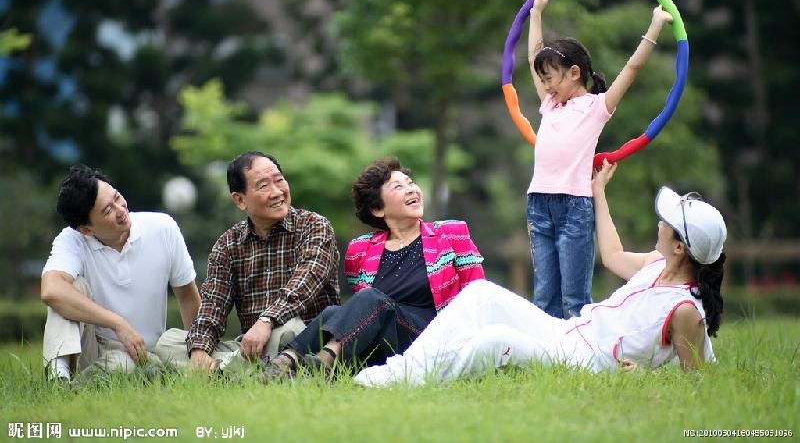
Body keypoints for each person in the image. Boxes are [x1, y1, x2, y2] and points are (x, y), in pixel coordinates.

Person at [354, 161, 727, 386]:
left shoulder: (684, 309)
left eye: (668, 224)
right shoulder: (656, 264)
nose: (659, 224)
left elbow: (699, 380)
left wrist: (646, 378)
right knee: (480, 295)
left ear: (681, 247)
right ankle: (399, 372)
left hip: (589, 361)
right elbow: (611, 255)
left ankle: (395, 381)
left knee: (495, 340)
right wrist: (598, 191)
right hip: (570, 333)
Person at [262, 157, 485, 380]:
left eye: (410, 183)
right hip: (383, 342)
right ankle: (284, 363)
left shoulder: (451, 233)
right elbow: (361, 313)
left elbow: (477, 295)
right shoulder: (360, 249)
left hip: (431, 339)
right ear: (378, 209)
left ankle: (324, 360)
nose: (411, 190)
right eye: (399, 187)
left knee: (373, 299)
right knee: (333, 313)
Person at [525, 0, 675, 318]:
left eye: (550, 78)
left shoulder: (596, 107)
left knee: (574, 296)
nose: (545, 85)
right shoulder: (550, 105)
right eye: (543, 79)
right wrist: (536, 13)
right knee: (544, 295)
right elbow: (532, 56)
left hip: (573, 207)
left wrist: (655, 26)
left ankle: (581, 354)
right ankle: (545, 354)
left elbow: (632, 69)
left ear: (575, 73)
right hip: (539, 204)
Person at [153, 151, 341, 373]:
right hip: (251, 347)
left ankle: (224, 372)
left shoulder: (314, 226)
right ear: (240, 200)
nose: (277, 192)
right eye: (263, 186)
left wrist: (267, 320)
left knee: (289, 330)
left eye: (279, 180)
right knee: (169, 341)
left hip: (302, 341)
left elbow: (306, 282)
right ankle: (234, 371)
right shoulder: (227, 244)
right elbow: (213, 306)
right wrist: (199, 351)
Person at [40, 165, 200, 381]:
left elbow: (187, 296)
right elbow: (51, 290)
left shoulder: (163, 228)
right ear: (86, 229)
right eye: (107, 211)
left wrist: (199, 350)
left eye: (117, 197)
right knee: (69, 289)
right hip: (95, 350)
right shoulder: (71, 240)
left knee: (172, 349)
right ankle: (58, 378)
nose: (121, 210)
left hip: (146, 352)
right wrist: (117, 323)